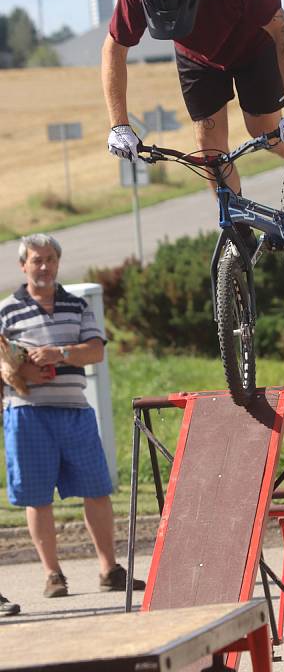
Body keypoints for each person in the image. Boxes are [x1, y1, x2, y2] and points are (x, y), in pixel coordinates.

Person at [102, 0, 284, 248]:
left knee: (266, 129)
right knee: (209, 149)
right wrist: (119, 125)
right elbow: (114, 49)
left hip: (253, 45)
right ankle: (239, 230)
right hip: (197, 57)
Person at [0, 234, 145, 597]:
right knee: (37, 497)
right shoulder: (6, 310)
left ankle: (109, 569)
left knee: (97, 490)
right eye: (36, 260)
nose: (44, 266)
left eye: (50, 259)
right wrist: (16, 371)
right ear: (23, 266)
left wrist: (59, 353)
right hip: (27, 412)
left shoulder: (78, 305)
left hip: (75, 411)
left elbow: (95, 351)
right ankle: (53, 575)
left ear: (58, 263)